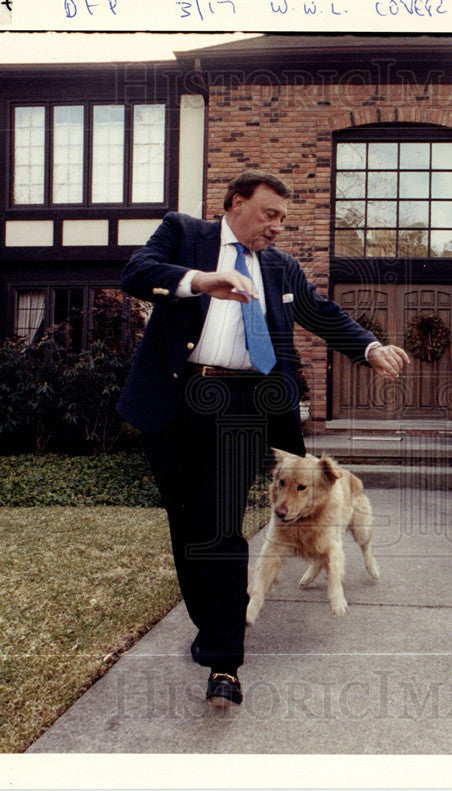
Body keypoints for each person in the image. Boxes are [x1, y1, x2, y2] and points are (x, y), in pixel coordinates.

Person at [117, 171, 410, 707]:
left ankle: (225, 663)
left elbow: (323, 314)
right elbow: (137, 273)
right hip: (179, 405)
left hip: (242, 408)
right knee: (189, 530)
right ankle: (212, 630)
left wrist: (369, 348)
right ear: (235, 203)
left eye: (283, 219)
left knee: (224, 529)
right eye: (269, 214)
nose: (277, 227)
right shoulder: (184, 234)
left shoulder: (281, 269)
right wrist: (201, 281)